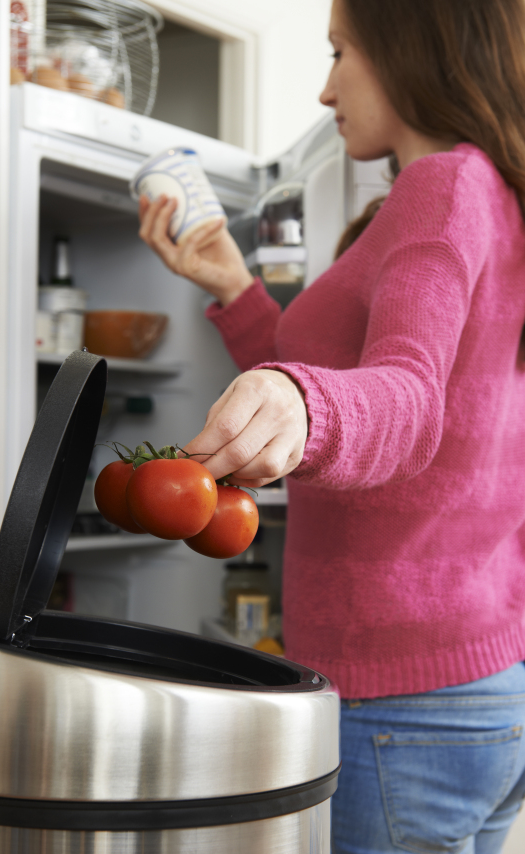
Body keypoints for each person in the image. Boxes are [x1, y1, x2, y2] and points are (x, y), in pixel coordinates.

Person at [138, 0, 525, 850]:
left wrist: (307, 405)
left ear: (412, 44)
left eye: (341, 51)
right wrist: (239, 289)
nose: (324, 90)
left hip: (400, 703)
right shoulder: (490, 195)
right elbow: (393, 391)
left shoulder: (444, 185)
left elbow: (408, 398)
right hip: (480, 681)